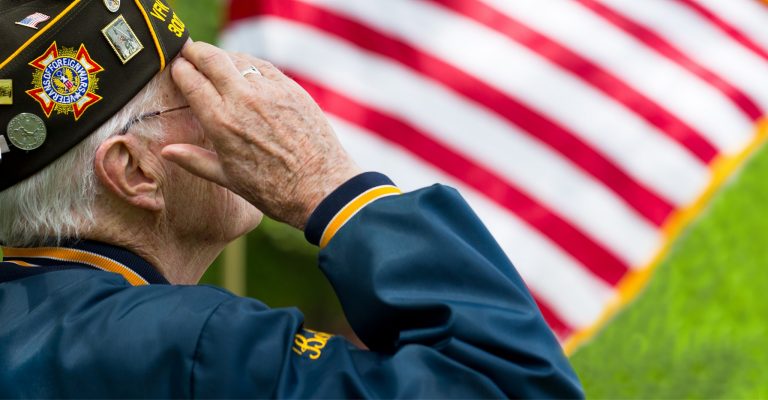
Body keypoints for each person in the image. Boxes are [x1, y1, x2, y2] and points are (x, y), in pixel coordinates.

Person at [0, 0, 583, 397]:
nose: (245, 107)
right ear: (134, 172)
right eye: (196, 92)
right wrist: (326, 185)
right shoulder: (186, 346)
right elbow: (509, 384)